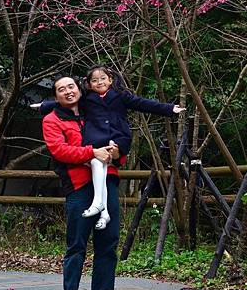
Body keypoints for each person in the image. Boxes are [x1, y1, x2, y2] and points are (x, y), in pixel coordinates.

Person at [41, 75, 126, 290]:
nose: (68, 91)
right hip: (78, 187)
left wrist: (118, 152)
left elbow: (116, 135)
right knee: (77, 244)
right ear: (56, 96)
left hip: (107, 182)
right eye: (61, 89)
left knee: (108, 242)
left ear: (79, 88)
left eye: (71, 86)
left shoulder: (95, 111)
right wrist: (92, 152)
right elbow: (60, 150)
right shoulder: (52, 119)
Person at [79, 65, 185, 228]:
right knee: (98, 165)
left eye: (103, 79)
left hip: (118, 138)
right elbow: (64, 104)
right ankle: (104, 211)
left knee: (98, 164)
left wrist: (169, 108)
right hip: (96, 140)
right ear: (89, 84)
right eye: (94, 80)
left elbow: (142, 103)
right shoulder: (86, 100)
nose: (99, 82)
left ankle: (98, 203)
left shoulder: (120, 96)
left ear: (110, 80)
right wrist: (44, 106)